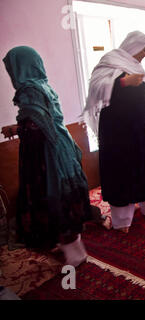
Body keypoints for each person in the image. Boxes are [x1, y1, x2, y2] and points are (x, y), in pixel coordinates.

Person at [2, 46, 91, 267]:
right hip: (60, 145)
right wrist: (20, 126)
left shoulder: (28, 90)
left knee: (55, 197)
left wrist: (17, 129)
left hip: (48, 154)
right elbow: (44, 120)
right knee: (62, 195)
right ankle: (69, 246)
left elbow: (38, 127)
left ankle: (75, 255)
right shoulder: (43, 85)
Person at [82, 31, 145, 234]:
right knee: (122, 172)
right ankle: (122, 222)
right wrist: (122, 83)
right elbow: (97, 89)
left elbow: (142, 96)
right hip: (118, 133)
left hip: (140, 129)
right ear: (134, 47)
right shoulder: (110, 62)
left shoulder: (135, 66)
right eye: (144, 50)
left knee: (144, 168)